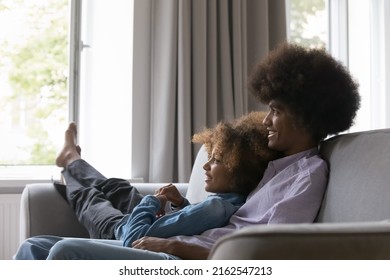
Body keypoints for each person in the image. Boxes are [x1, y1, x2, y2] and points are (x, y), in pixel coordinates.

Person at [15, 42, 360, 260]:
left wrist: (177, 246)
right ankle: (72, 165)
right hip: (179, 244)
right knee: (34, 246)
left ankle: (72, 165)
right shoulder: (273, 168)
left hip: (189, 262)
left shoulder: (309, 175)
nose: (266, 120)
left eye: (276, 110)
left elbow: (270, 256)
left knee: (64, 251)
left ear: (305, 114)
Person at [15, 111, 281, 258]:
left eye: (217, 160)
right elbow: (190, 223)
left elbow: (134, 239)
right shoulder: (228, 204)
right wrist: (180, 204)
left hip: (123, 231)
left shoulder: (216, 207)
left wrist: (153, 201)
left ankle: (71, 165)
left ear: (239, 169)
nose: (205, 167)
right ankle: (72, 161)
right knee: (117, 188)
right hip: (150, 223)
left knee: (90, 199)